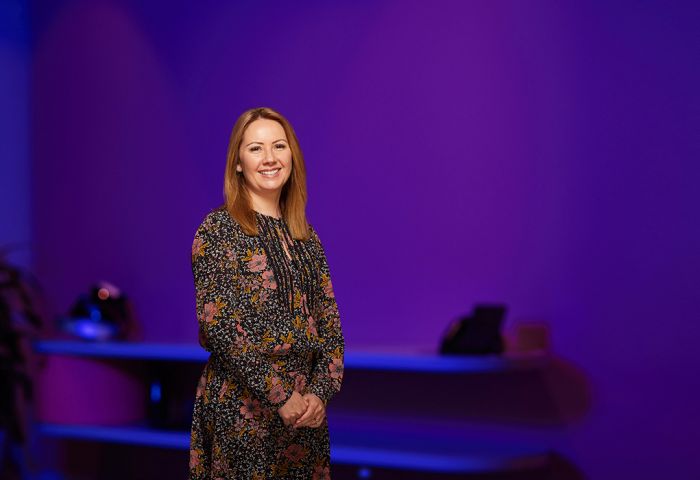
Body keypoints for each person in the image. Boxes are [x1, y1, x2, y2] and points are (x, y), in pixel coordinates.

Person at [188, 107, 344, 479]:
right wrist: (280, 395)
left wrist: (319, 395)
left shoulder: (307, 237)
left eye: (279, 146)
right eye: (256, 149)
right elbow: (221, 328)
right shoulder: (217, 230)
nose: (270, 158)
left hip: (305, 417)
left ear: (293, 156)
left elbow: (330, 327)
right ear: (238, 163)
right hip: (244, 411)